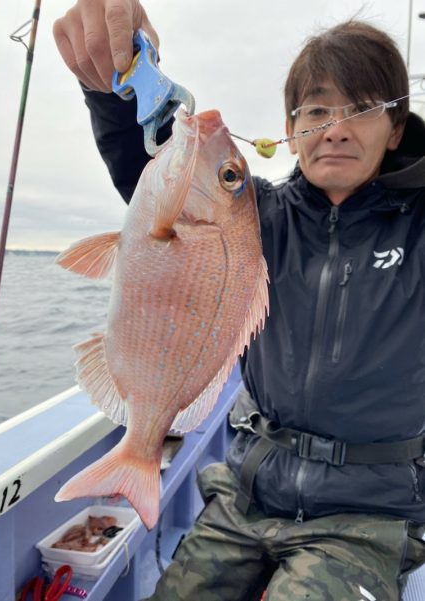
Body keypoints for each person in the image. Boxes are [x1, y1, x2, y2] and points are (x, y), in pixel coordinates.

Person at [53, 2, 425, 599]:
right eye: (317, 110)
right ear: (290, 125)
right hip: (247, 495)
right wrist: (117, 82)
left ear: (398, 126)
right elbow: (148, 168)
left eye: (362, 110)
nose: (335, 128)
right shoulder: (257, 218)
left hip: (367, 516)